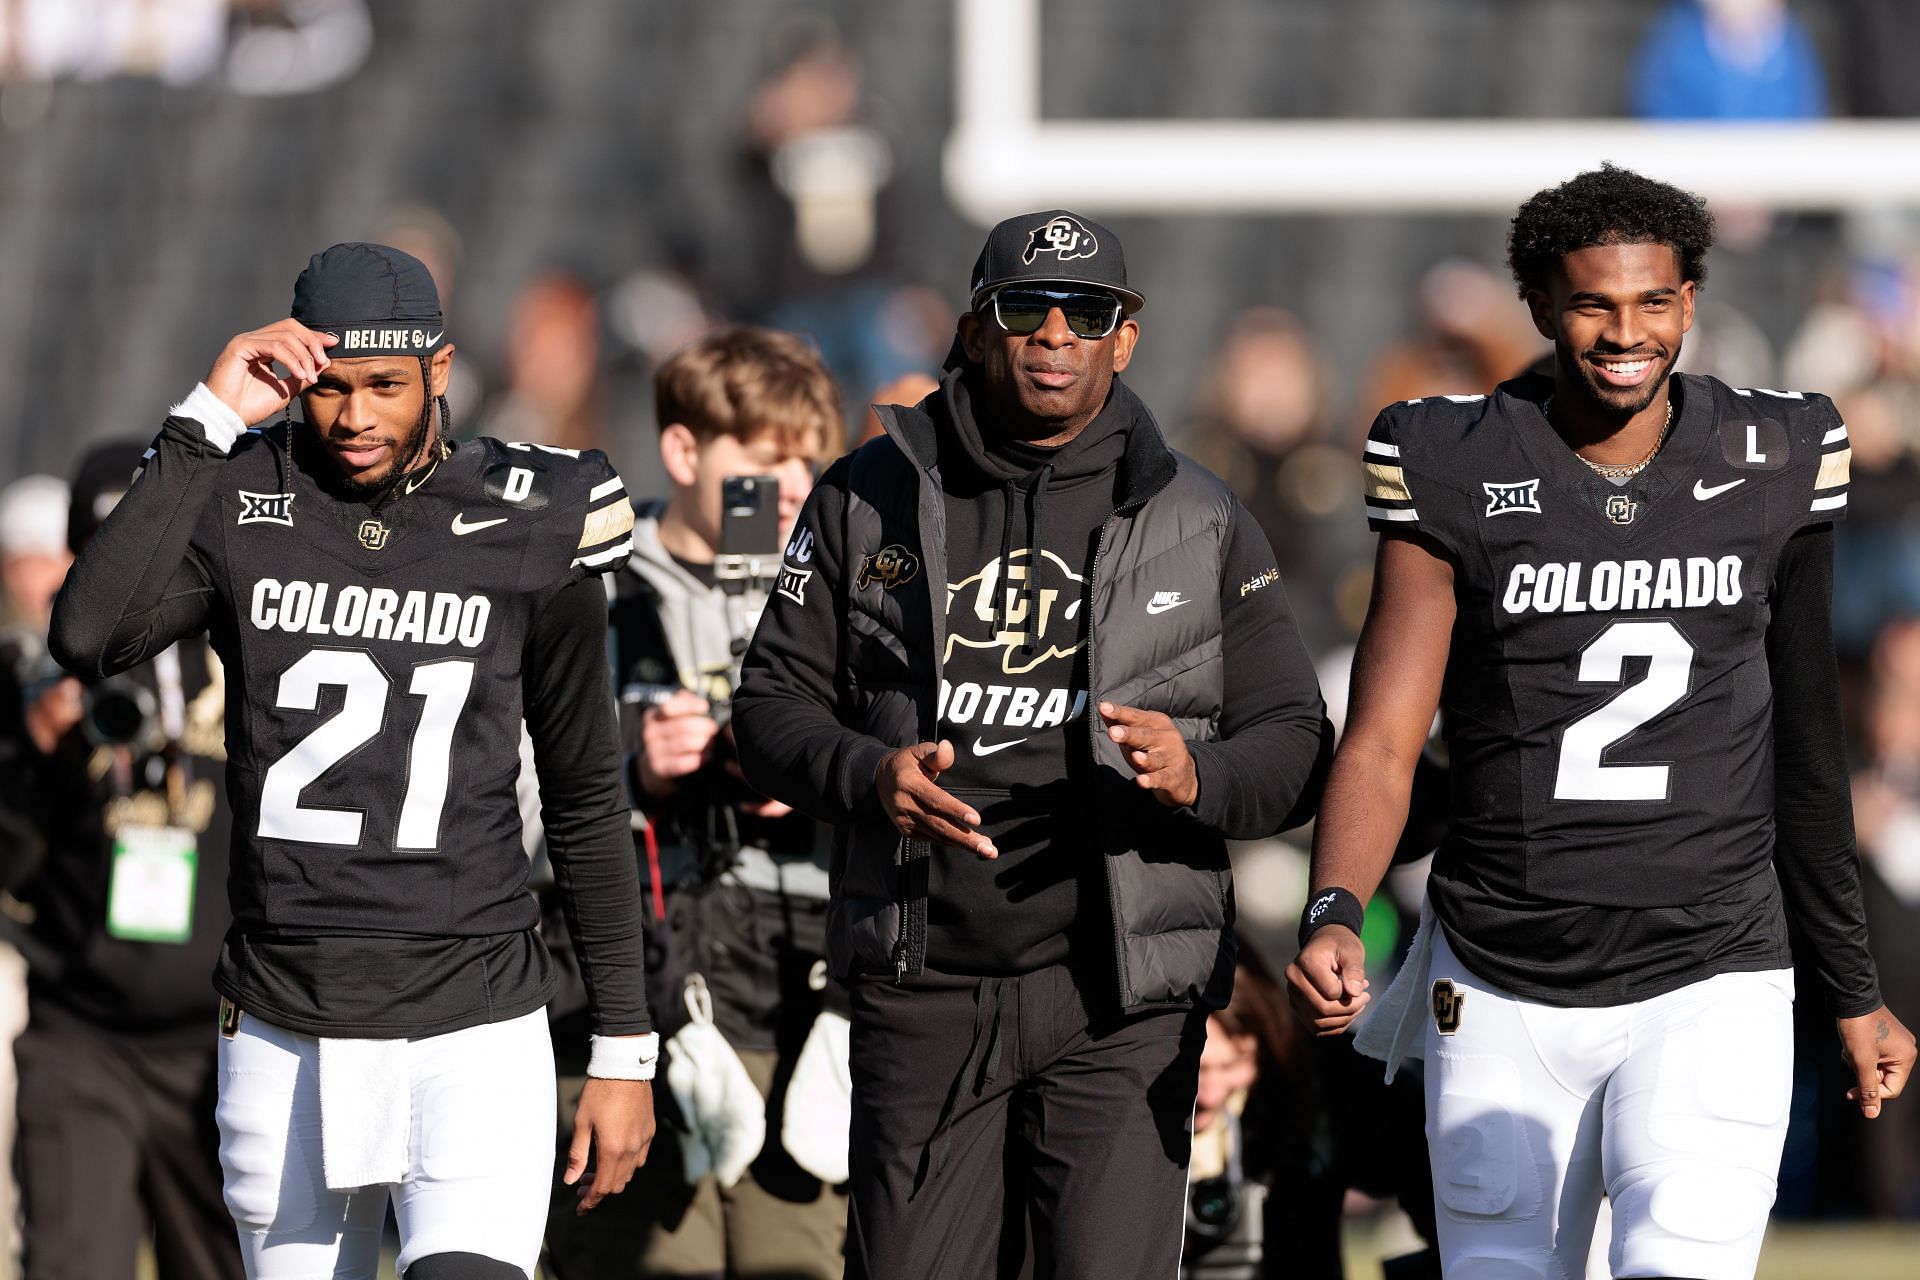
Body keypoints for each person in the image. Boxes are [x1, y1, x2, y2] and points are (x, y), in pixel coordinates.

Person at [1288, 165, 1919, 1280]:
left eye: (1654, 301)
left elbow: (1808, 744)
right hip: (1500, 968)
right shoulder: (1454, 461)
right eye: (1594, 302)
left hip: (1711, 968)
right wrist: (1334, 906)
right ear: (1538, 303)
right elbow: (1385, 733)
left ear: (1691, 299)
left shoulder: (1770, 454)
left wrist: (1855, 988)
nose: (1627, 332)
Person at [734, 209, 1331, 1279]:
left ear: (1126, 338)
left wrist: (1201, 776)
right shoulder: (864, 493)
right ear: (973, 329)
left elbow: (1295, 739)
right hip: (924, 980)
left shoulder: (1200, 515)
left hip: (1119, 992)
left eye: (1089, 311)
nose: (1057, 331)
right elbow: (771, 706)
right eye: (1026, 307)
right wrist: (868, 775)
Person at [47, 243, 657, 1280]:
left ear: (441, 368)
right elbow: (86, 634)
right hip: (288, 1016)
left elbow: (586, 793)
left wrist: (623, 1045)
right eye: (327, 387)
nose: (356, 416)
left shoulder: (527, 514)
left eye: (385, 384)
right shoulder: (243, 494)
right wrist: (206, 418)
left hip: (476, 1015)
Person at [544, 325, 848, 1278]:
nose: (795, 486)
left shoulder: (833, 592)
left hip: (791, 997)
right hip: (633, 985)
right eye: (767, 461)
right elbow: (511, 781)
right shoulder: (596, 584)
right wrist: (639, 758)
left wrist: (809, 763)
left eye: (811, 460)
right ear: (683, 451)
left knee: (793, 1257)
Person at [1, 442, 244, 1280]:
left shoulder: (241, 659)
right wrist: (37, 754)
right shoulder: (33, 675)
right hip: (82, 1036)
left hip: (220, 1040)